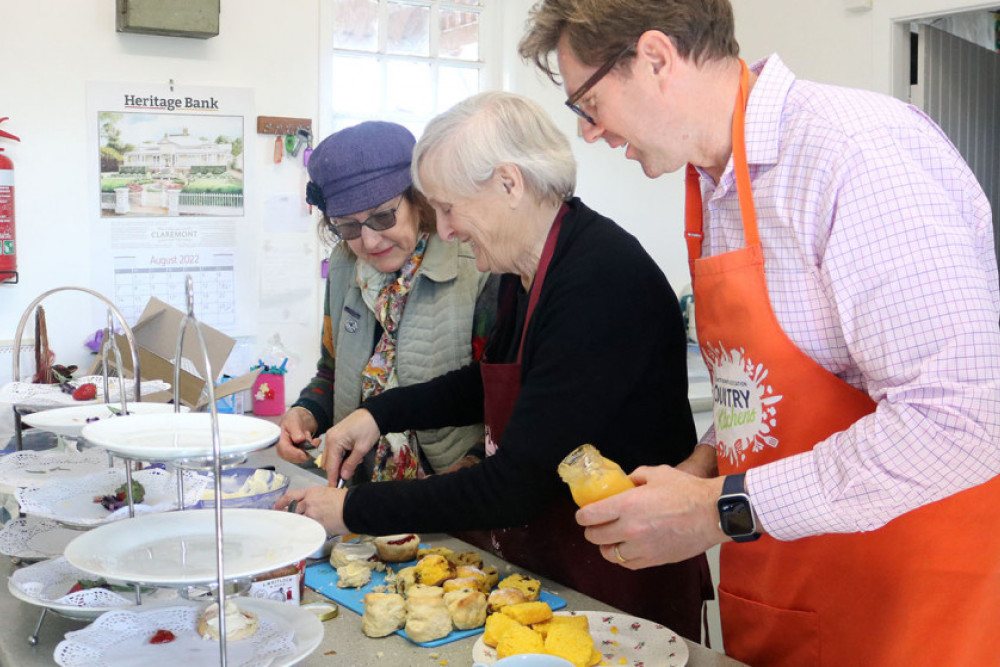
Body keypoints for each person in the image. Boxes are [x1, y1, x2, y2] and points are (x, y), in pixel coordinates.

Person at [518, 1, 1000, 665]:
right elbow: (769, 391)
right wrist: (701, 469)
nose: (591, 133)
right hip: (787, 595)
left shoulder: (854, 154)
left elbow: (962, 421)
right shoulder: (713, 183)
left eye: (587, 102)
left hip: (907, 609)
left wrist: (717, 509)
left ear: (656, 58)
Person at [277, 91, 713, 640]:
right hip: (547, 564)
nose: (448, 229)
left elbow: (517, 485)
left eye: (449, 208)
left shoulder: (599, 282)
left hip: (616, 573)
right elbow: (488, 385)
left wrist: (353, 508)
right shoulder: (521, 266)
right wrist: (378, 414)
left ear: (509, 185)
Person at [276, 121, 497, 481]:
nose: (369, 241)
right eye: (347, 226)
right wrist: (305, 412)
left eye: (382, 216)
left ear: (418, 200)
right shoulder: (344, 268)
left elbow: (498, 398)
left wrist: (466, 473)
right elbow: (332, 373)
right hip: (362, 491)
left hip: (454, 494)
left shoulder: (479, 268)